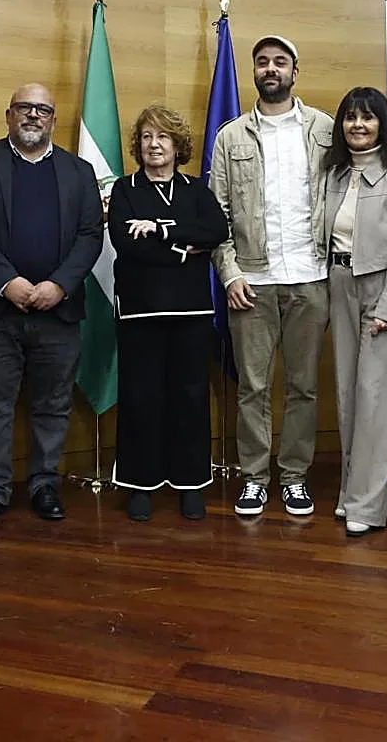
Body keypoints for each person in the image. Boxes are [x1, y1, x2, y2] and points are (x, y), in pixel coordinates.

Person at [0, 83, 102, 525]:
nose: (33, 116)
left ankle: (44, 485)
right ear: (8, 114)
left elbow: (91, 234)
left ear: (54, 119)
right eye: (24, 108)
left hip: (58, 311)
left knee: (53, 403)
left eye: (42, 110)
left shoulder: (78, 172)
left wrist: (59, 284)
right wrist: (6, 282)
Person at [209, 34, 334, 518]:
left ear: (294, 72)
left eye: (280, 62)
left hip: (312, 277)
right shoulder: (231, 136)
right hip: (252, 283)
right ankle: (255, 478)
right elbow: (216, 214)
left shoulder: (324, 129)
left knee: (303, 386)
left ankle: (296, 477)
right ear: (254, 73)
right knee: (253, 388)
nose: (270, 69)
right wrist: (230, 273)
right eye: (262, 62)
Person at [107, 105, 229, 521]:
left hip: (191, 311)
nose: (153, 144)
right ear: (137, 146)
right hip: (140, 312)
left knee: (190, 397)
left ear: (178, 146)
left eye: (162, 137)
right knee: (142, 397)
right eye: (146, 137)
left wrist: (161, 230)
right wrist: (184, 249)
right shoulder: (125, 190)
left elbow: (216, 231)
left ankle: (189, 483)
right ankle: (140, 484)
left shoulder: (196, 190)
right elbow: (128, 245)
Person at [324, 88, 387, 536]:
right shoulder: (334, 174)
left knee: (375, 399)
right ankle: (349, 493)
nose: (357, 126)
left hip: (381, 290)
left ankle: (366, 506)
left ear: (383, 124)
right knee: (347, 395)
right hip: (338, 283)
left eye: (367, 118)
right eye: (350, 118)